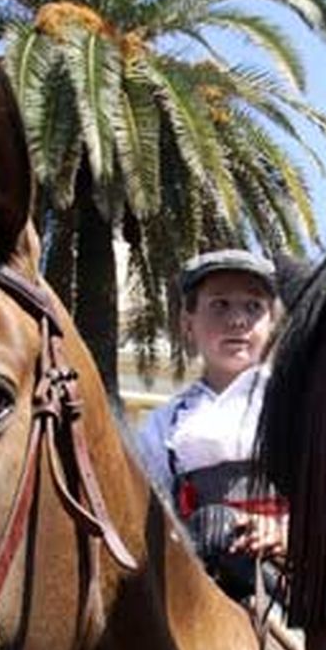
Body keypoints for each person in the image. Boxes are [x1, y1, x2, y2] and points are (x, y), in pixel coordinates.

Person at [133, 249, 287, 599]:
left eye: (253, 307)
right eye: (220, 305)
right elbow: (150, 509)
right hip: (193, 575)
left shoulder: (296, 404)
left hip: (284, 570)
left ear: (272, 322)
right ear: (188, 324)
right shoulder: (164, 423)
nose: (237, 321)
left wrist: (284, 532)